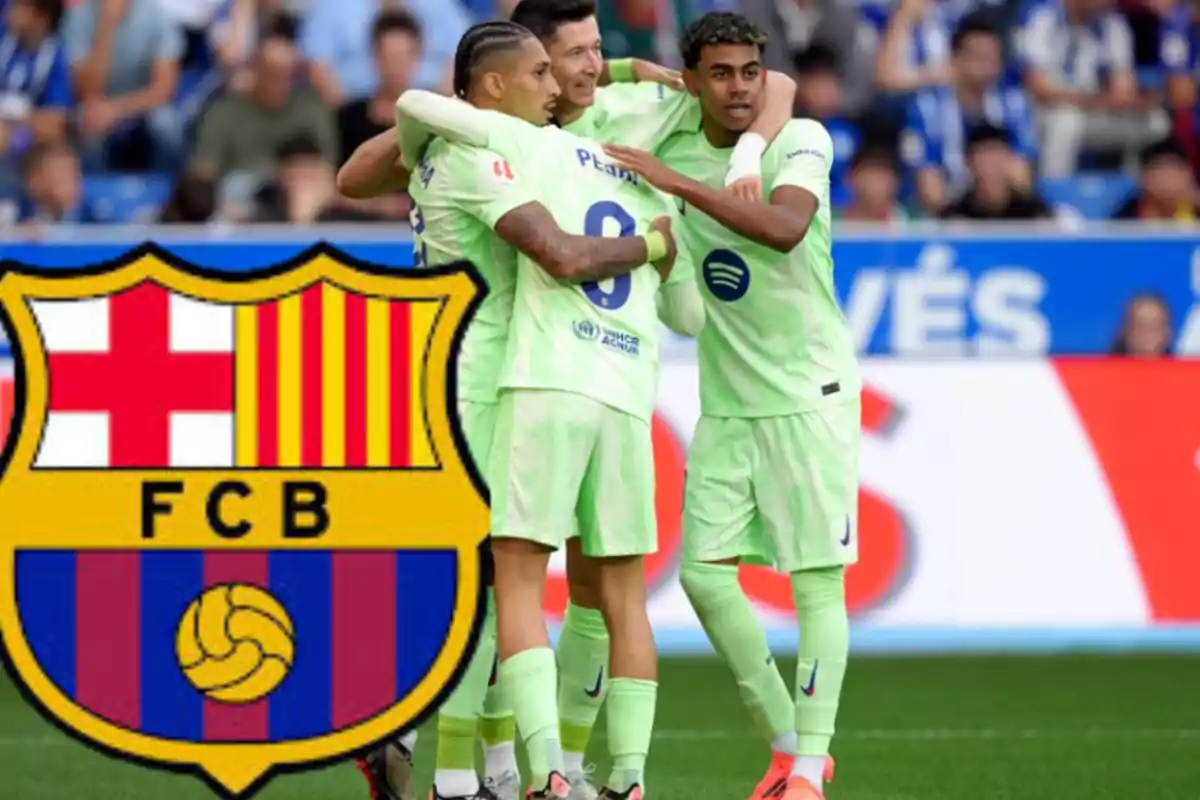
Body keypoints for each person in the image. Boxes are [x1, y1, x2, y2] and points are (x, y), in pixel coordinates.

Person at [348, 19, 704, 800]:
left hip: (478, 365)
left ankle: (471, 762)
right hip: (480, 379)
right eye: (546, 71)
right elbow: (565, 254)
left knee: (486, 582)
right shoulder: (480, 154)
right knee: (494, 584)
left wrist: (621, 70)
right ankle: (450, 766)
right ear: (495, 86)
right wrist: (652, 245)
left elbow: (357, 172)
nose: (559, 87)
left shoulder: (473, 145)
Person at [601, 12, 859, 800]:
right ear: (693, 79)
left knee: (817, 585)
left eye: (750, 71)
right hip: (727, 402)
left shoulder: (799, 139)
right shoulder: (672, 133)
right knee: (706, 579)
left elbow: (784, 229)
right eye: (720, 74)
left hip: (808, 395)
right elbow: (575, 95)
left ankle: (810, 771)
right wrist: (627, 74)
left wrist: (681, 185)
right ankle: (787, 743)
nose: (740, 87)